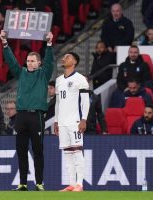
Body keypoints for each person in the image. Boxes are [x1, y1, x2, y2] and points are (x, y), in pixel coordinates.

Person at [0, 30, 54, 191]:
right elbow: (11, 61)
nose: (29, 63)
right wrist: (4, 44)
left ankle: (39, 183)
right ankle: (23, 183)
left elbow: (50, 61)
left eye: (32, 61)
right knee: (21, 150)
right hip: (21, 116)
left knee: (38, 150)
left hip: (36, 115)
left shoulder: (44, 74)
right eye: (28, 61)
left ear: (39, 63)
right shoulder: (21, 73)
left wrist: (49, 44)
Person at [54, 52, 90, 192]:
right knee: (67, 152)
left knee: (77, 150)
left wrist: (83, 119)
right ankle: (71, 183)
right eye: (63, 57)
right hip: (62, 121)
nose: (64, 58)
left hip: (75, 121)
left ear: (74, 61)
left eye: (67, 57)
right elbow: (58, 103)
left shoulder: (80, 79)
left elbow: (85, 101)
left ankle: (79, 184)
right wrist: (56, 121)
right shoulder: (58, 80)